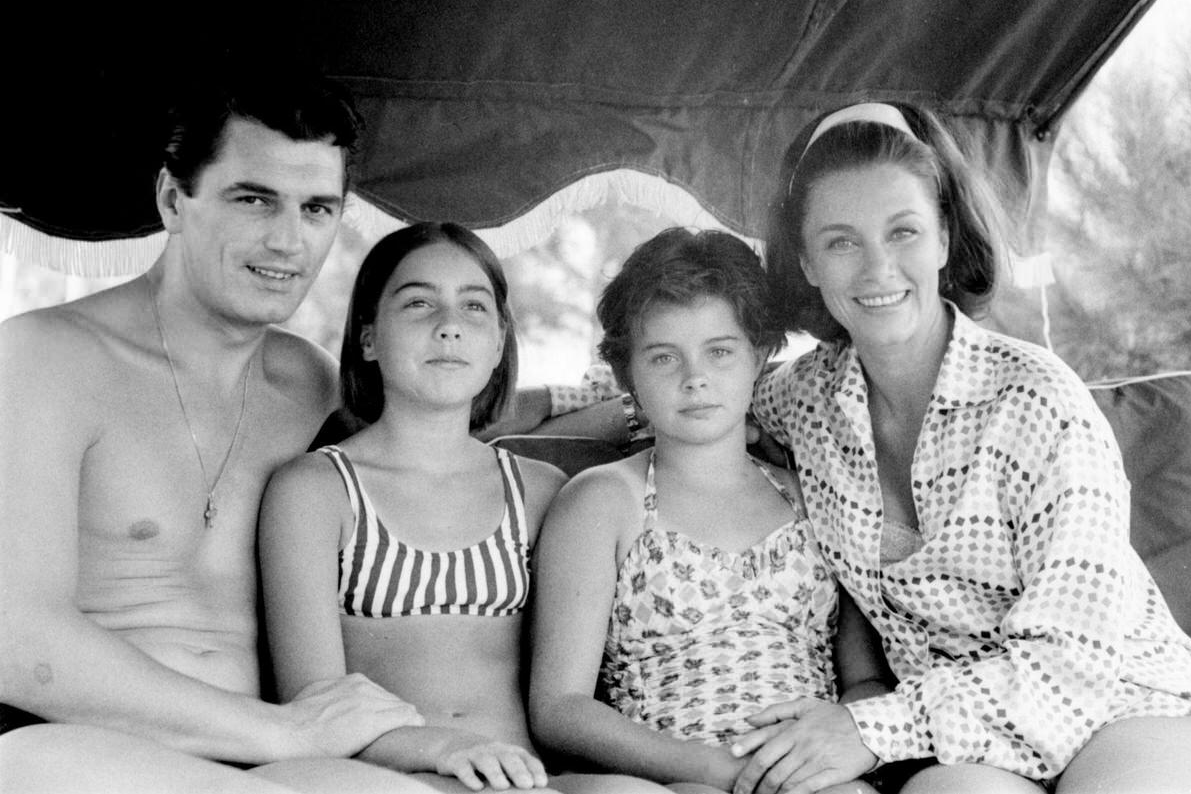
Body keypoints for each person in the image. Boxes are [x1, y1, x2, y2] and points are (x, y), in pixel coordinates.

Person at [723, 102, 1191, 794]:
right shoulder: (805, 398)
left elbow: (1074, 659)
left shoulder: (1038, 399)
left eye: (904, 231)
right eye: (841, 241)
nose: (877, 267)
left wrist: (868, 728)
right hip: (960, 746)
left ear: (945, 238)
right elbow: (695, 388)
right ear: (806, 262)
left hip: (1120, 707)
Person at [0, 70, 431, 793]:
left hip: (260, 755)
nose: (289, 240)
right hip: (58, 743)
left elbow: (443, 422)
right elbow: (14, 637)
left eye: (317, 208)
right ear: (174, 199)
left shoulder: (313, 383)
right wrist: (283, 730)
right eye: (254, 198)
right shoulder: (42, 358)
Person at [258, 222, 668, 794]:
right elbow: (311, 700)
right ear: (369, 337)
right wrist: (444, 747)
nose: (449, 327)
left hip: (527, 778)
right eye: (419, 303)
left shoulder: (539, 491)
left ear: (499, 342)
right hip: (382, 776)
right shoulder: (316, 488)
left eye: (474, 307)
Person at [528, 228, 889, 794]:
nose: (694, 378)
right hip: (667, 776)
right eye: (664, 357)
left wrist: (832, 743)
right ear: (627, 376)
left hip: (806, 774)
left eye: (719, 351)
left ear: (760, 356)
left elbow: (865, 677)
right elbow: (560, 708)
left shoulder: (812, 495)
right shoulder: (603, 502)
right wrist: (708, 768)